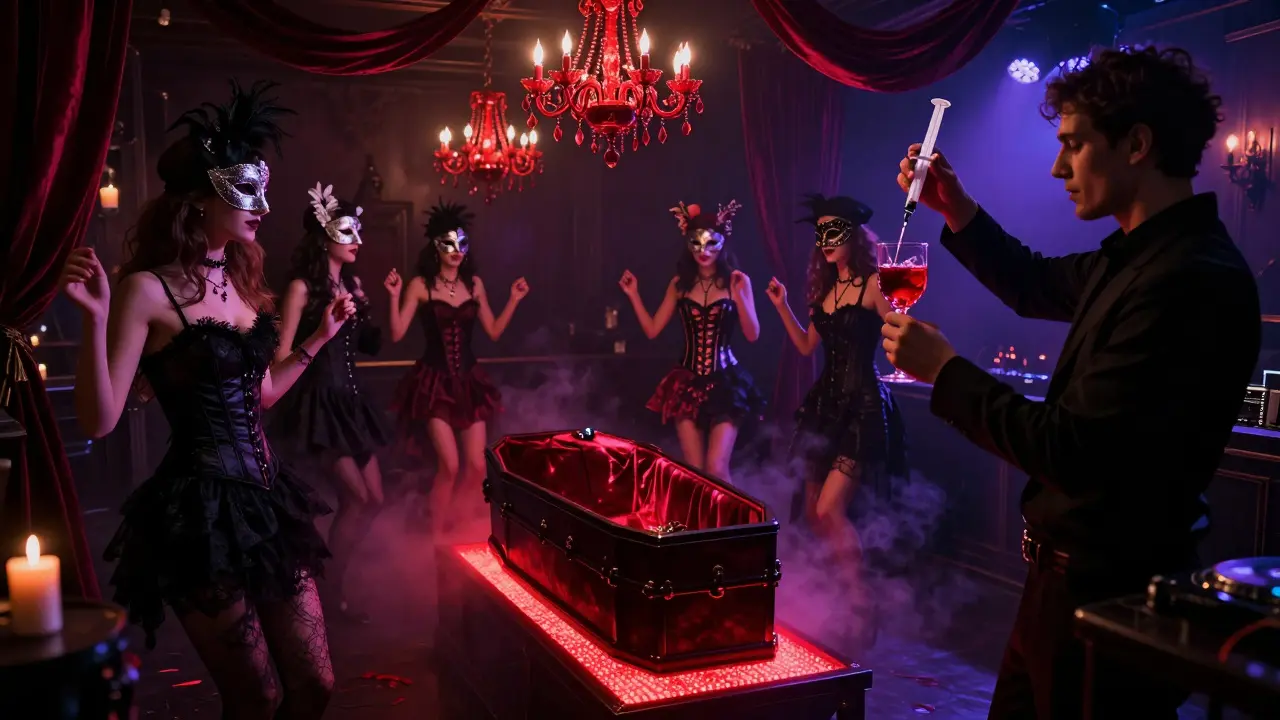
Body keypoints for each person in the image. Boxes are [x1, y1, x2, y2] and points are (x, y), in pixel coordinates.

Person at [881, 46, 1259, 719]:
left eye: (1075, 146)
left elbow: (1072, 451)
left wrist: (945, 371)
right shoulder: (1139, 256)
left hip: (1107, 593)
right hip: (1058, 587)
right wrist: (956, 207)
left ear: (1137, 144)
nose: (1059, 167)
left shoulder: (1189, 278)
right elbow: (1030, 283)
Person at [59, 81, 353, 719]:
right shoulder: (145, 290)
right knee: (255, 696)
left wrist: (320, 338)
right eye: (247, 190)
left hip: (268, 500)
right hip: (198, 512)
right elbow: (100, 418)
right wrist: (93, 318)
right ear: (197, 201)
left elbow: (265, 392)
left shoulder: (246, 287)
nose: (264, 207)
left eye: (265, 190)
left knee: (315, 684)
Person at [271, 183, 391, 624]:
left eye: (358, 231)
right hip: (319, 406)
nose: (358, 239)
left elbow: (370, 346)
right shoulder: (301, 288)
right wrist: (322, 329)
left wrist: (369, 307)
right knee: (356, 498)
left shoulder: (352, 283)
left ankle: (332, 580)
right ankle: (329, 588)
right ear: (324, 236)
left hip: (352, 403)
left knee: (374, 498)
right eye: (348, 231)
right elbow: (280, 356)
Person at [765, 195, 907, 567]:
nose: (826, 240)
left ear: (855, 237)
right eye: (821, 232)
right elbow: (806, 345)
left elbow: (901, 328)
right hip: (825, 408)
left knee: (829, 510)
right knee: (813, 513)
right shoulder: (826, 290)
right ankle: (841, 600)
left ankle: (861, 606)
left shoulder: (873, 284)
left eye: (835, 231)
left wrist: (909, 313)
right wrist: (782, 306)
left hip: (862, 406)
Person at [384, 199, 528, 527]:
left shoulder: (473, 285)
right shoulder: (421, 285)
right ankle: (434, 537)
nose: (456, 249)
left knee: (477, 467)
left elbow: (492, 330)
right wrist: (393, 297)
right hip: (433, 384)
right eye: (448, 243)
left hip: (469, 383)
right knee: (448, 465)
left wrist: (514, 301)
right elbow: (396, 333)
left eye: (461, 242)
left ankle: (457, 524)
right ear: (435, 247)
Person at [619, 200, 764, 482]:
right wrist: (634, 295)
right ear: (688, 244)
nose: (703, 250)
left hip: (726, 383)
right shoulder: (679, 284)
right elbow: (652, 330)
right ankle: (702, 526)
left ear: (723, 243)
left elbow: (752, 334)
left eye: (711, 243)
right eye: (696, 243)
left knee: (717, 468)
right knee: (695, 473)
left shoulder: (738, 281)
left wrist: (738, 296)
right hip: (686, 382)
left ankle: (732, 526)